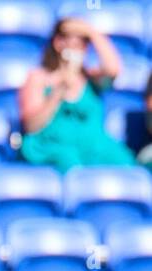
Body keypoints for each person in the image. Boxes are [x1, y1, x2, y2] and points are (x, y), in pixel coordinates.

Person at [19, 16, 135, 172]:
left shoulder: (91, 79)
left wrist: (91, 32)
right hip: (54, 147)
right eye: (71, 41)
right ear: (58, 43)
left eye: (82, 43)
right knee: (69, 161)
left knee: (124, 162)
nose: (77, 48)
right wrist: (58, 92)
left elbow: (113, 69)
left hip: (93, 148)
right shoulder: (39, 78)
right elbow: (31, 125)